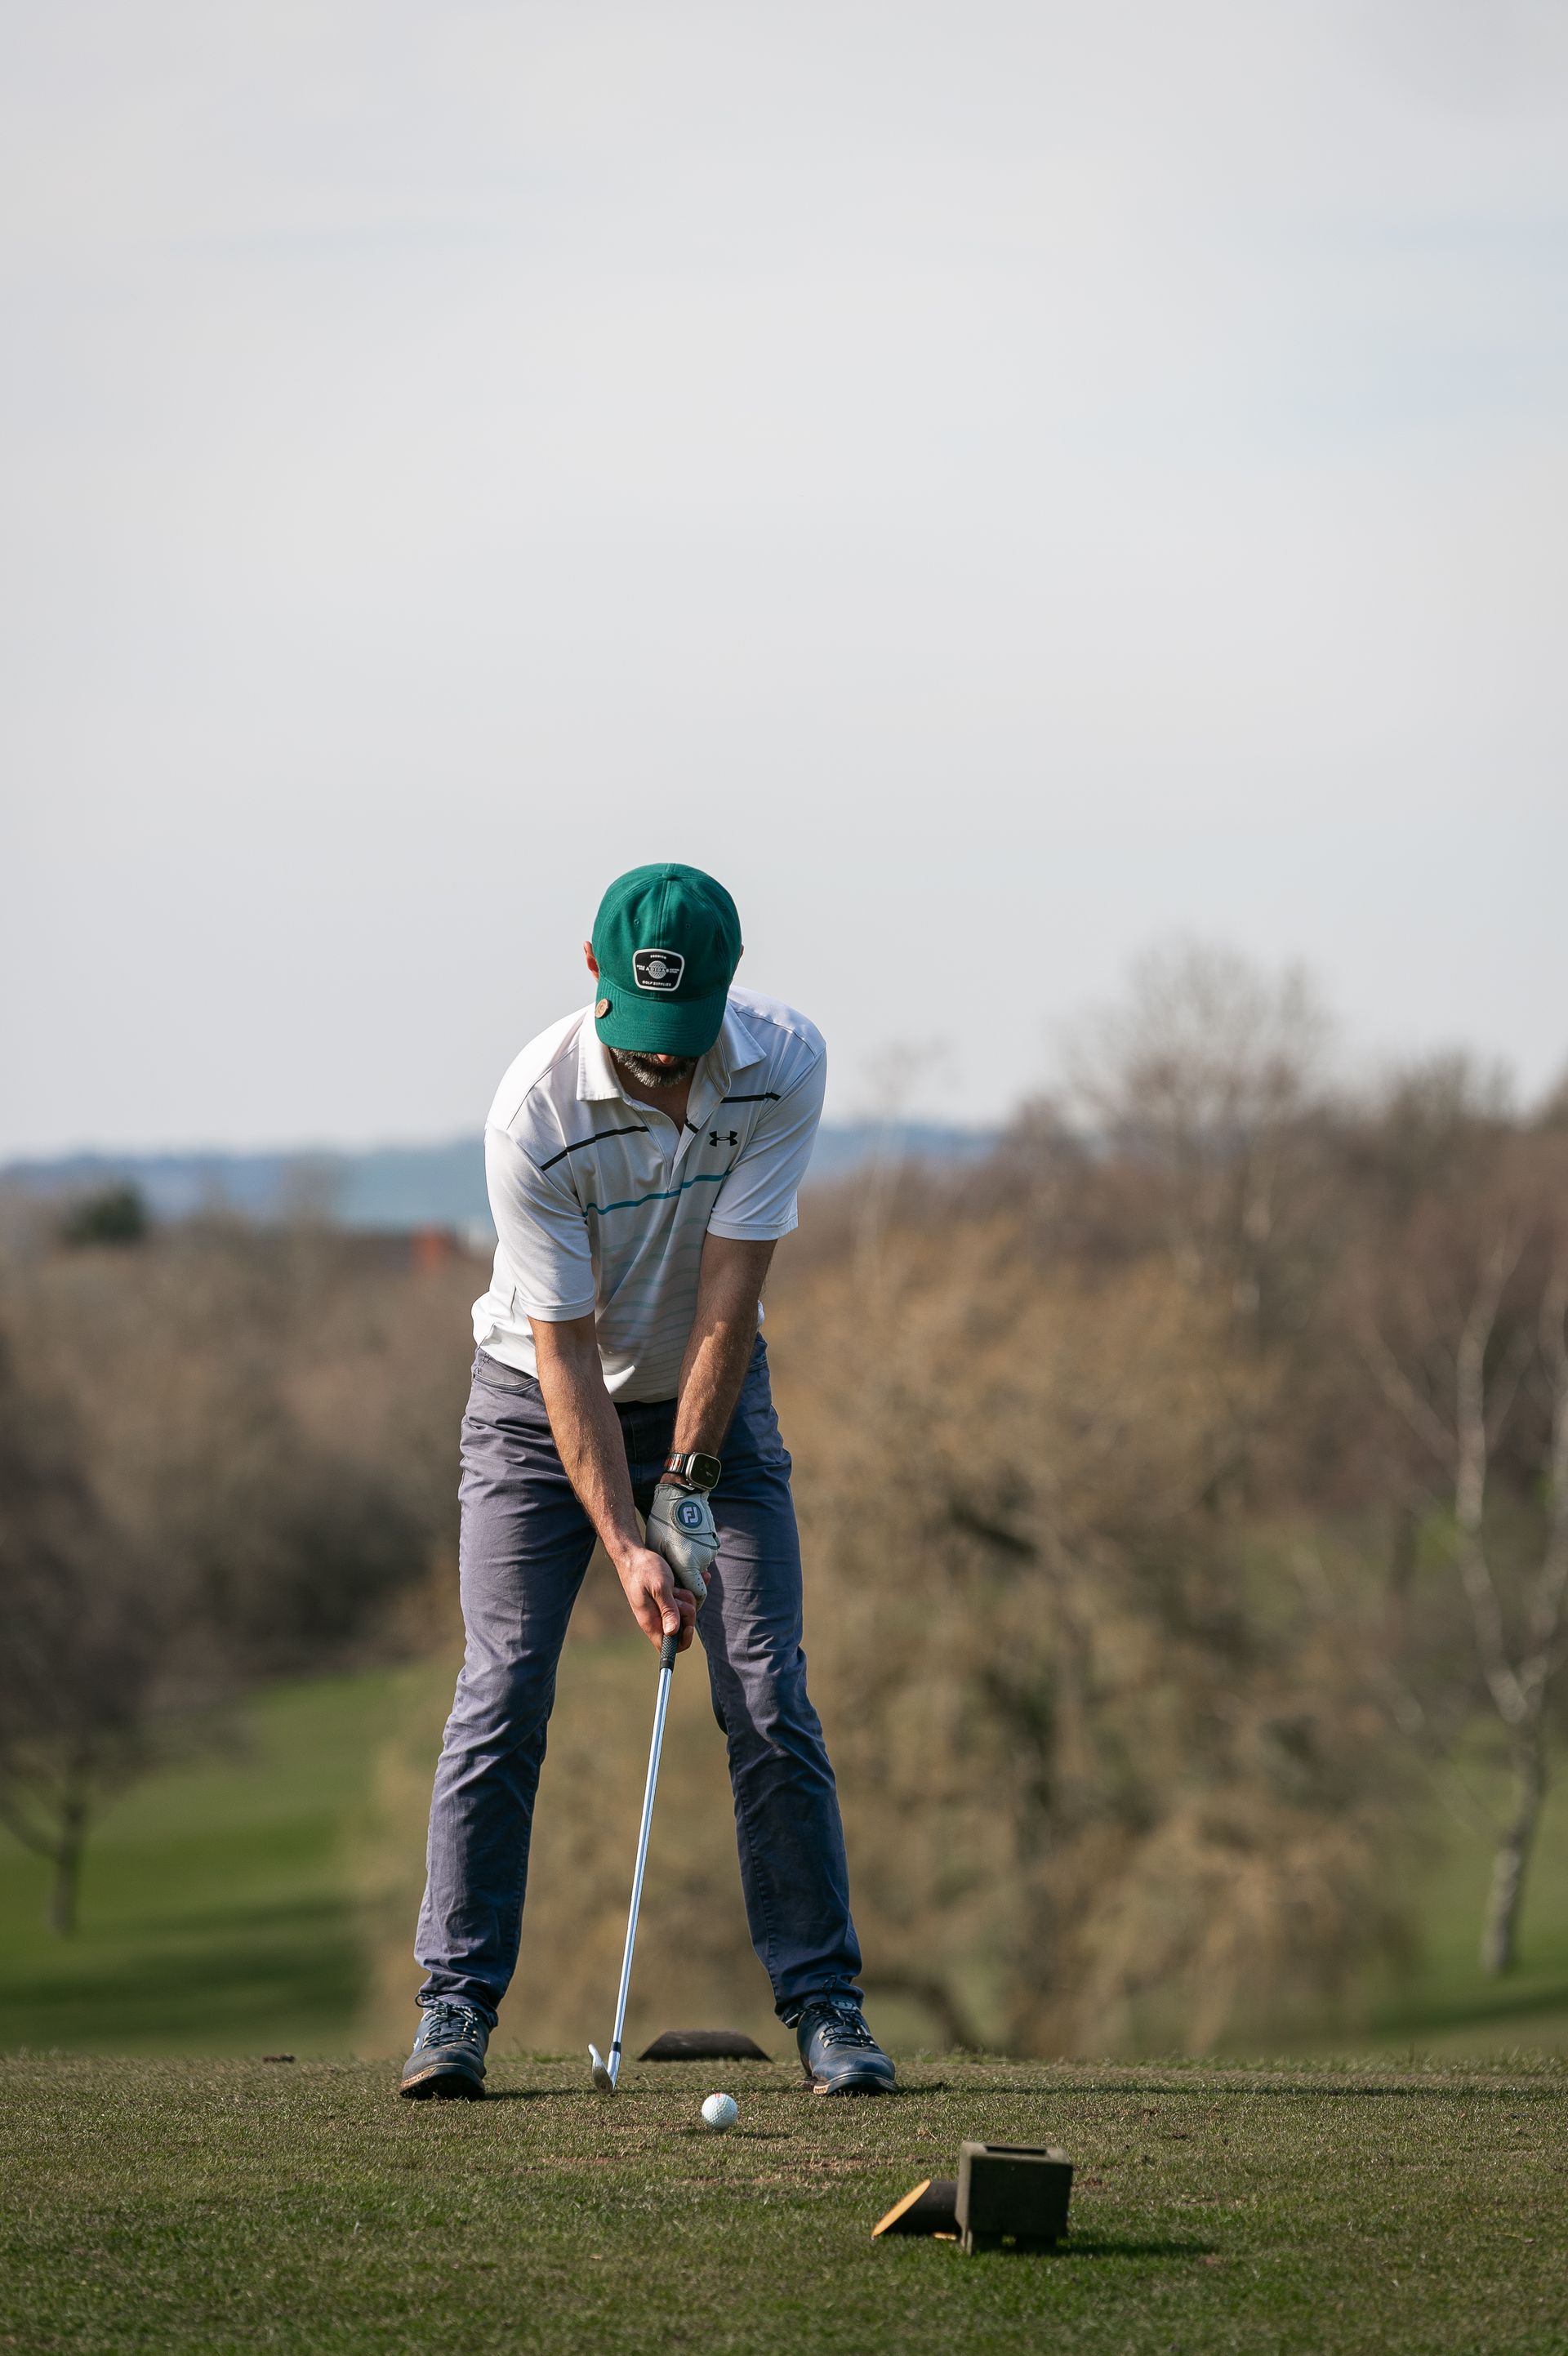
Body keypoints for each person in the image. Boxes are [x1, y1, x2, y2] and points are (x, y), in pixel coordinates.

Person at [400, 862, 893, 2100]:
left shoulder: (786, 1061)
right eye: (643, 1036)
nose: (666, 1067)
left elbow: (732, 1288)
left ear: (731, 986)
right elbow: (565, 1351)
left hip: (707, 1392)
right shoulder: (532, 1114)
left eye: (685, 1037)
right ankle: (455, 2006)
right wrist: (627, 1540)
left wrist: (687, 1482)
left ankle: (826, 2006)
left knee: (767, 1687)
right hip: (536, 1404)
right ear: (594, 974)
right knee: (505, 1684)